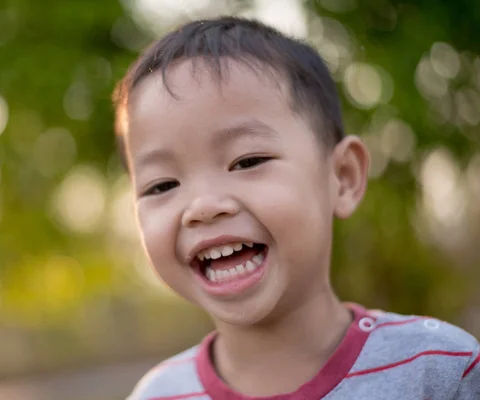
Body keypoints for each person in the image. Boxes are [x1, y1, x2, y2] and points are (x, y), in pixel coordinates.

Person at [112, 16, 480, 399]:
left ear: (343, 176)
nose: (202, 207)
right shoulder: (158, 394)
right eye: (163, 185)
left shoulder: (437, 370)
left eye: (247, 161)